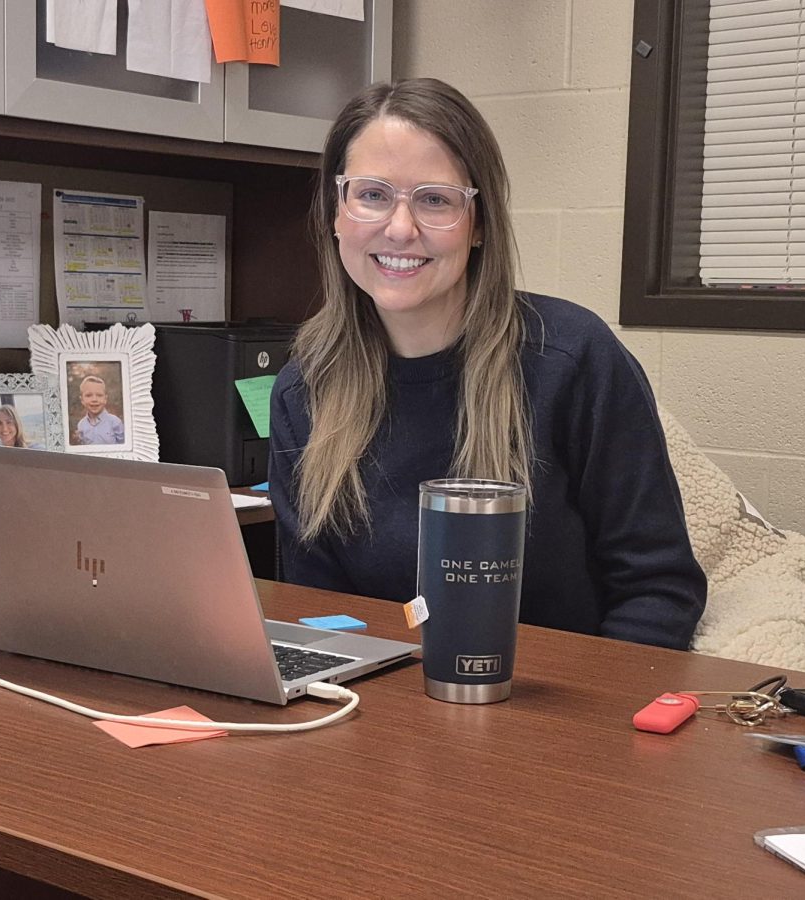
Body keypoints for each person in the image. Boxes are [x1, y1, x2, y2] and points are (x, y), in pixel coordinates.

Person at [268, 78, 707, 650]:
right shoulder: (304, 391)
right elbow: (319, 615)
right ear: (336, 212)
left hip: (557, 708)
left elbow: (659, 588)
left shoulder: (573, 358)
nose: (400, 228)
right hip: (384, 709)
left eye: (435, 200)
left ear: (478, 225)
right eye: (372, 194)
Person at [74, 375, 124, 445]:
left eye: (99, 395)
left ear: (105, 399)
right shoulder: (81, 425)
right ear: (82, 400)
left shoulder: (115, 422)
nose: (94, 399)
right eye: (88, 395)